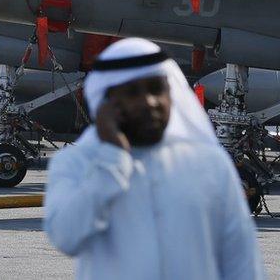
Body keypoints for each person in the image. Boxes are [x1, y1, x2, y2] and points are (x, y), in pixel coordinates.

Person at [44, 38, 263, 280]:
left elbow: (240, 259)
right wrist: (111, 161)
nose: (149, 102)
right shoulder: (77, 162)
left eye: (156, 89)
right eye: (132, 93)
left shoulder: (208, 164)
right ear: (108, 103)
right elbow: (67, 236)